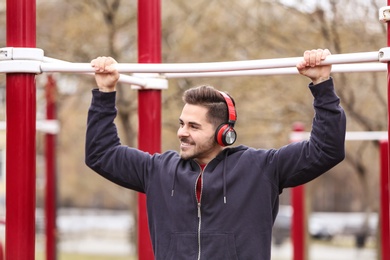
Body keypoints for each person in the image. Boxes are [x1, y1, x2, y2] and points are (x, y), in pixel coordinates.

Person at [86, 49, 346, 260]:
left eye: (193, 126)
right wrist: (105, 93)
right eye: (181, 123)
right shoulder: (157, 170)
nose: (182, 133)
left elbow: (326, 148)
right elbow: (101, 153)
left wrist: (321, 84)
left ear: (223, 133)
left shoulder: (262, 168)